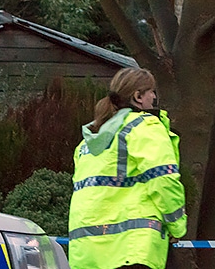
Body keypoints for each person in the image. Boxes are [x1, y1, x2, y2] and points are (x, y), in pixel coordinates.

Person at [68, 67, 187, 269]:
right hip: (134, 248)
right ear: (138, 96)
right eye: (152, 92)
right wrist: (177, 226)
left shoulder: (89, 142)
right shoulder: (145, 127)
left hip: (87, 252)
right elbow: (163, 180)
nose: (154, 97)